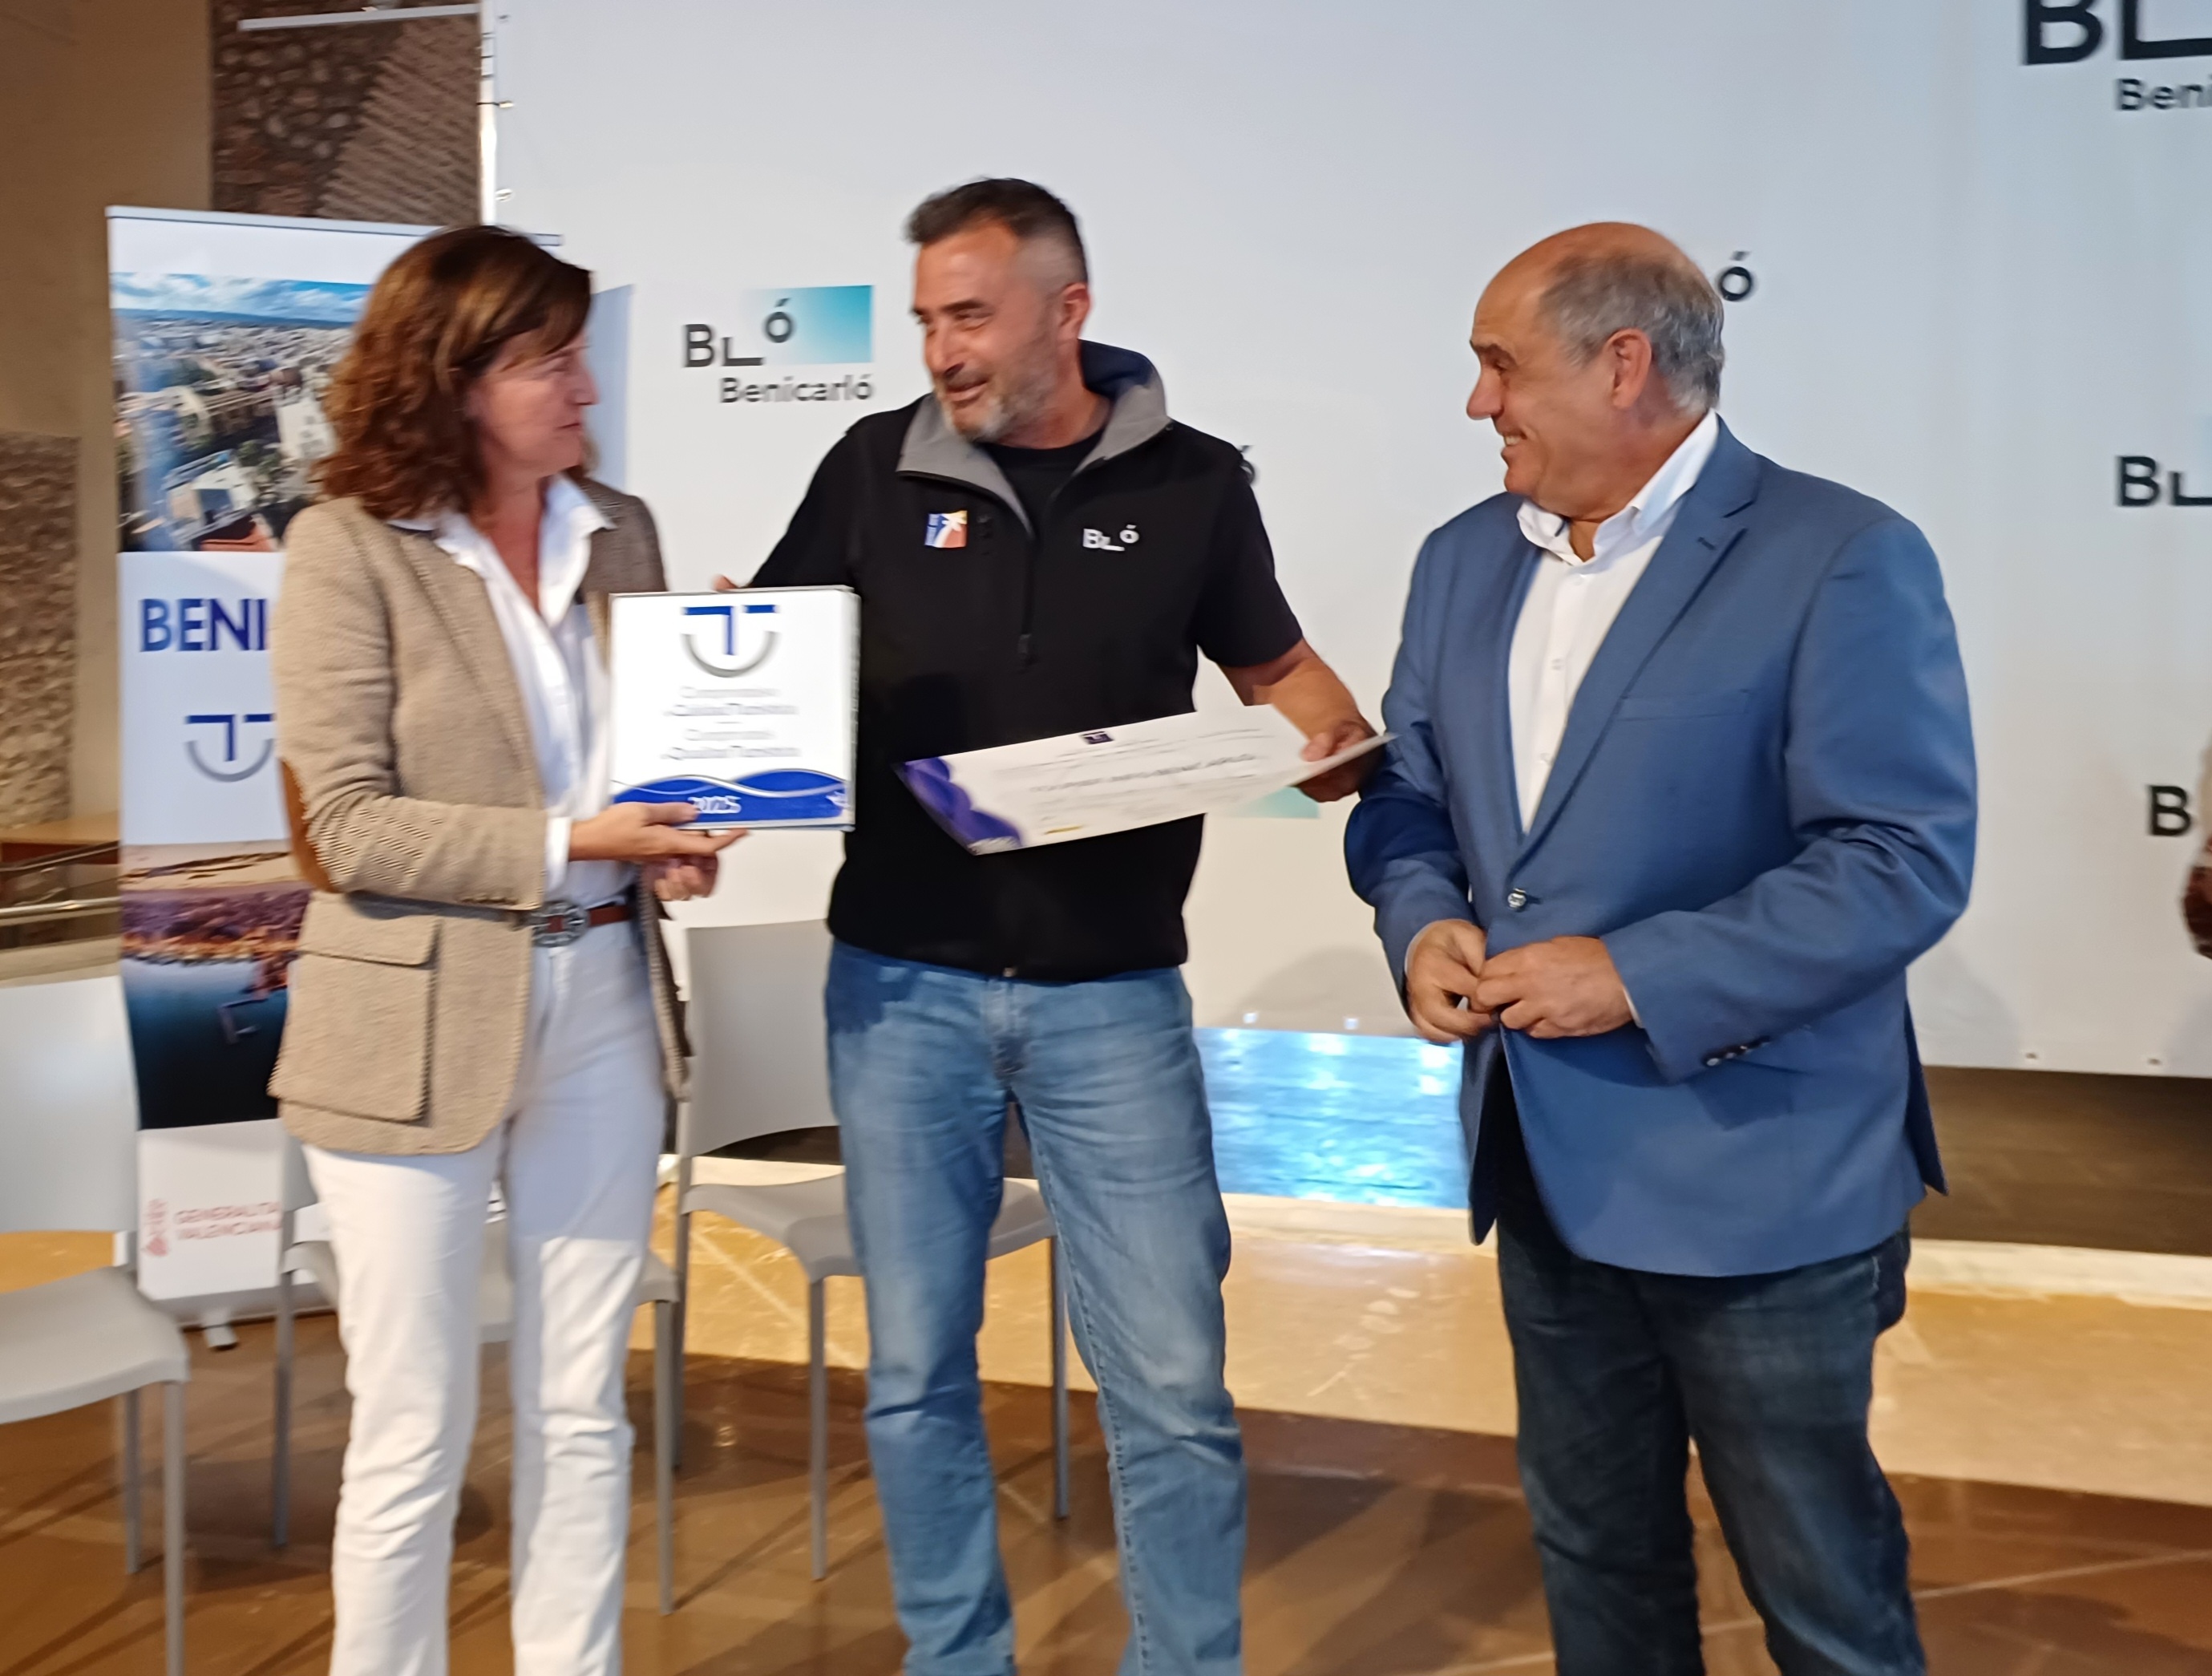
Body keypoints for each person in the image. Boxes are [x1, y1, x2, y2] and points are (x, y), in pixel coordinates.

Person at [738, 178, 1373, 1676]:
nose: (940, 351)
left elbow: (1280, 671)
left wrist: (1337, 738)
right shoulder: (868, 468)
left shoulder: (1197, 482)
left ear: (1067, 310)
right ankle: (955, 1658)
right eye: (925, 321)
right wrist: (721, 688)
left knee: (1172, 1382)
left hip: (1114, 997)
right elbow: (766, 667)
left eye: (969, 316)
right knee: (916, 1375)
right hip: (901, 989)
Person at [1345, 224, 1976, 1675]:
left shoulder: (1842, 556)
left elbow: (1901, 858)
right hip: (1545, 1165)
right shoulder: (1460, 560)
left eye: (1500, 366)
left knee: (1820, 1591)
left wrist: (1635, 974)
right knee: (1597, 1561)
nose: (1478, 403)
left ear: (1623, 363)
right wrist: (1419, 916)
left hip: (1761, 1180)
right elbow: (1408, 795)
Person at [269, 225, 737, 1676]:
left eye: (580, 355)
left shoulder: (624, 529)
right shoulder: (347, 546)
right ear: (453, 377)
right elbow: (346, 827)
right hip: (405, 1026)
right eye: (551, 362)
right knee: (412, 1424)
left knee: (583, 1406)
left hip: (606, 997)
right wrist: (576, 837)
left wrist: (675, 837)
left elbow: (651, 773)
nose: (585, 388)